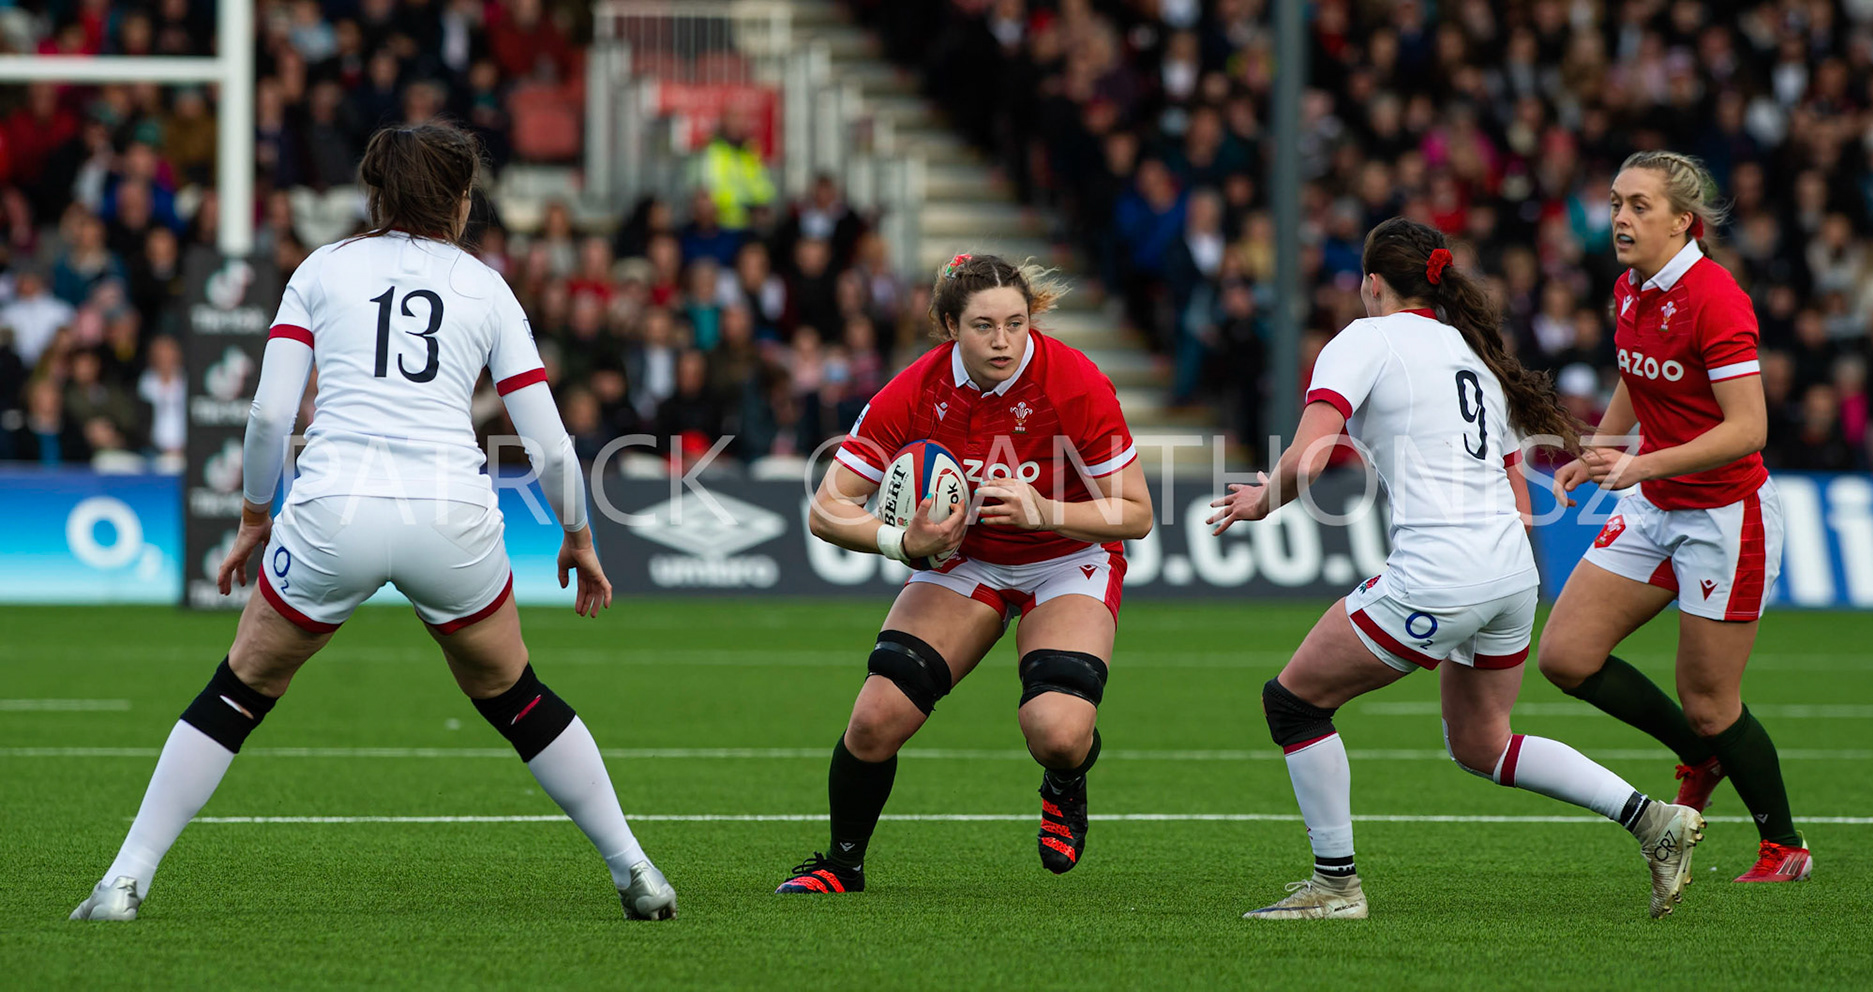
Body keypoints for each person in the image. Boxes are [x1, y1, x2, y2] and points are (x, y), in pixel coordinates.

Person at [69, 121, 678, 923]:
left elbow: (265, 418)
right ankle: (635, 870)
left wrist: (255, 518)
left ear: (375, 194)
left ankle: (123, 883)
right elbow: (551, 445)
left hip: (334, 512)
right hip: (450, 517)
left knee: (239, 688)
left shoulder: (323, 270)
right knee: (516, 696)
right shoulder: (486, 286)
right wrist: (578, 537)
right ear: (459, 202)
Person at [1208, 218, 1703, 921]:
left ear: (1371, 283)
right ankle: (1654, 821)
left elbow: (1313, 455)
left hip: (1443, 569)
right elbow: (1513, 481)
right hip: (1509, 570)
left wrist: (1263, 499)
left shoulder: (1363, 339)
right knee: (1483, 742)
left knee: (1293, 703)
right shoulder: (1471, 352)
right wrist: (1499, 584)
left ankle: (1336, 886)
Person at [776, 253, 1152, 894]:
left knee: (1057, 733)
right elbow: (827, 510)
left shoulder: (1074, 381)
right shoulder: (916, 389)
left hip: (1065, 556)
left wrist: (1046, 511)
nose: (1003, 341)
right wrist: (903, 541)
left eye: (1015, 323)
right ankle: (841, 866)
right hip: (964, 560)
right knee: (874, 720)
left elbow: (1136, 512)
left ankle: (1066, 777)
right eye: (983, 326)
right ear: (950, 324)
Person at [1542, 151, 1807, 883]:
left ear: (1682, 221)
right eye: (1617, 202)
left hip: (1726, 515)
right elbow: (1637, 372)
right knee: (1565, 656)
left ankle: (1785, 847)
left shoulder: (1715, 298)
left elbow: (1747, 428)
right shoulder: (1630, 288)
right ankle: (1700, 759)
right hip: (1657, 503)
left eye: (1638, 206)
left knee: (1711, 704)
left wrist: (1642, 464)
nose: (1620, 218)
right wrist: (1599, 449)